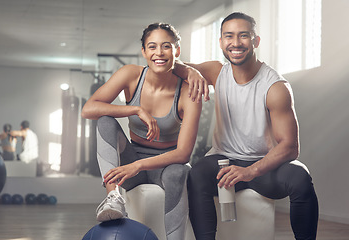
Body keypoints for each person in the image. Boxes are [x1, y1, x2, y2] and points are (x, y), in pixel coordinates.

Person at [174, 12, 319, 240]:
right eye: (229, 36)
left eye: (243, 36)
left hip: (263, 166)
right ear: (221, 42)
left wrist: (250, 171)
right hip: (223, 160)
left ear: (255, 41)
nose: (236, 43)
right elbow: (172, 66)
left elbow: (290, 147)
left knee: (300, 178)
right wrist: (191, 71)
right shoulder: (216, 71)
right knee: (197, 174)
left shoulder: (275, 86)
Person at [81, 23, 202, 240]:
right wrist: (135, 109)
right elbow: (88, 109)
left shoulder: (188, 93)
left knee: (179, 171)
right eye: (152, 47)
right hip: (133, 156)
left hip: (166, 164)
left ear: (177, 51)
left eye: (166, 46)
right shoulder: (130, 75)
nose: (159, 53)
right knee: (106, 121)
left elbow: (183, 154)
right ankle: (113, 198)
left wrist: (137, 166)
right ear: (144, 52)